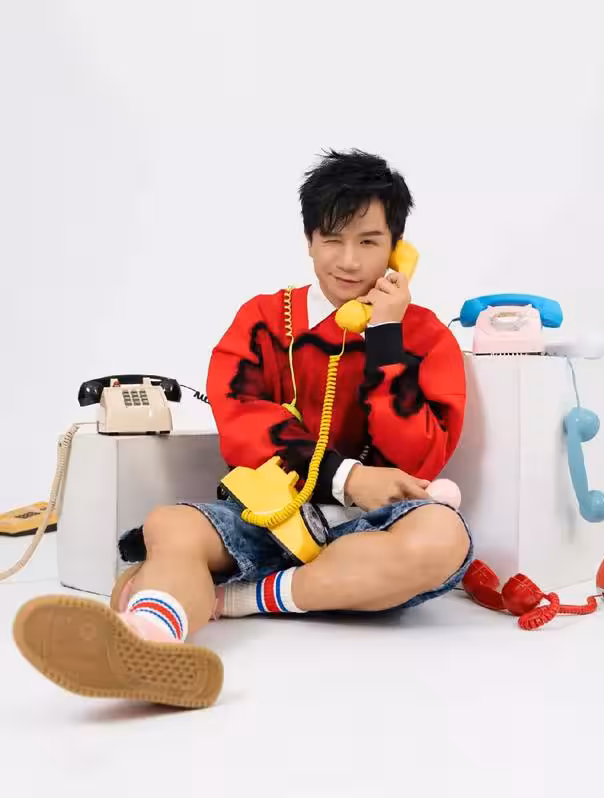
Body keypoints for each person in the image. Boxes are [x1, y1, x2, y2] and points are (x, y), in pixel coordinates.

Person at [13, 149, 472, 709]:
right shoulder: (264, 321)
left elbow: (422, 457)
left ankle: (228, 599)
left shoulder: (424, 336)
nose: (350, 261)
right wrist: (348, 477)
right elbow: (242, 420)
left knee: (442, 537)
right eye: (332, 240)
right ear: (309, 241)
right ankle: (147, 642)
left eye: (369, 242)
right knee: (170, 526)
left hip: (375, 531)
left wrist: (384, 339)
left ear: (397, 248)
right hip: (270, 511)